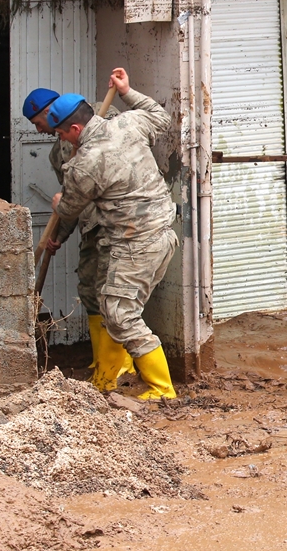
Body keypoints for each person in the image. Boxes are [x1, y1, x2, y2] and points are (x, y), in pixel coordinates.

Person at [48, 68, 178, 400]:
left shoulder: (85, 164)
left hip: (136, 242)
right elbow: (161, 118)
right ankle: (108, 375)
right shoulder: (129, 122)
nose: (61, 141)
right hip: (162, 233)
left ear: (75, 129)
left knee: (120, 314)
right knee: (114, 308)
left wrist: (60, 201)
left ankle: (162, 390)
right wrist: (127, 91)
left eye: (61, 134)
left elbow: (69, 210)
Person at [22, 88, 134, 392]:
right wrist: (59, 235)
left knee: (113, 293)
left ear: (49, 111)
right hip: (90, 225)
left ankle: (121, 363)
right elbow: (72, 200)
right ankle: (102, 360)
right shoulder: (57, 153)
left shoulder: (102, 119)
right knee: (89, 289)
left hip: (117, 222)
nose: (38, 130)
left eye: (37, 122)